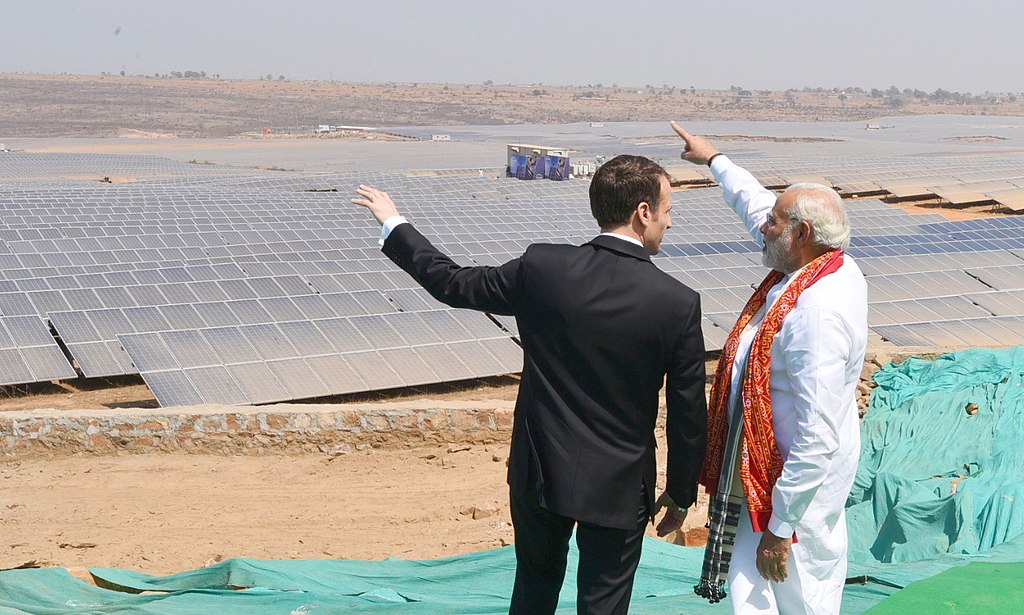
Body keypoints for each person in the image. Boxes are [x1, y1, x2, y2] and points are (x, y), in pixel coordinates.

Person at [352, 154, 707, 615]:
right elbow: (687, 413)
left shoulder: (543, 268)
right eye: (669, 210)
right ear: (643, 212)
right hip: (619, 484)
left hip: (541, 471)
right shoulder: (677, 303)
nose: (670, 223)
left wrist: (395, 224)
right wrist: (680, 492)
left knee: (534, 593)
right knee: (604, 605)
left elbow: (452, 284)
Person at [670, 121, 867, 615]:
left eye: (776, 223)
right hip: (765, 481)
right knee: (756, 594)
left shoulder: (815, 312)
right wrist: (715, 160)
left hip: (791, 495)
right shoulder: (814, 265)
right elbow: (757, 205)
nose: (764, 225)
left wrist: (781, 529)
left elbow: (817, 434)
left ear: (802, 234)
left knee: (797, 597)